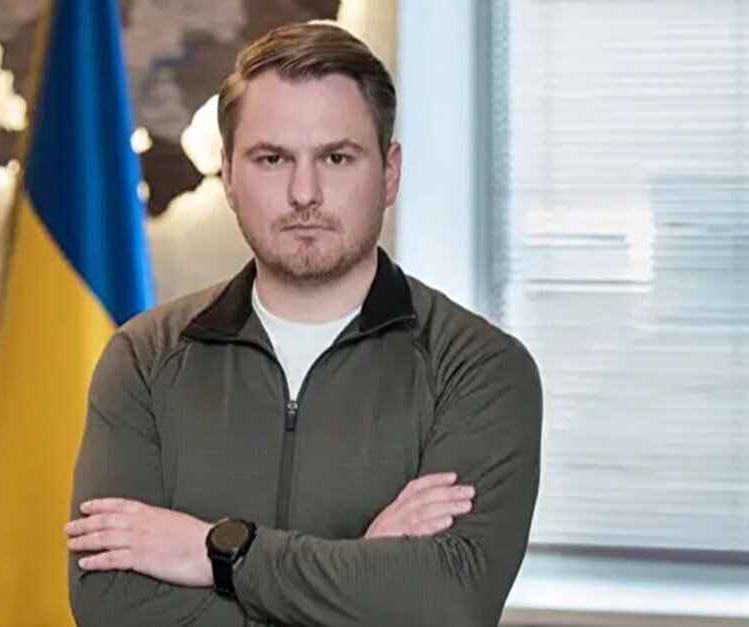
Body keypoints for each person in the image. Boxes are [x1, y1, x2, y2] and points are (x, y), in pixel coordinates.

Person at [65, 21, 542, 627]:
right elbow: (111, 607)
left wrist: (215, 552)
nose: (304, 193)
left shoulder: (478, 368)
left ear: (389, 173)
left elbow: (447, 606)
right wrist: (361, 570)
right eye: (272, 159)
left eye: (336, 158)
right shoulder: (144, 358)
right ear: (229, 175)